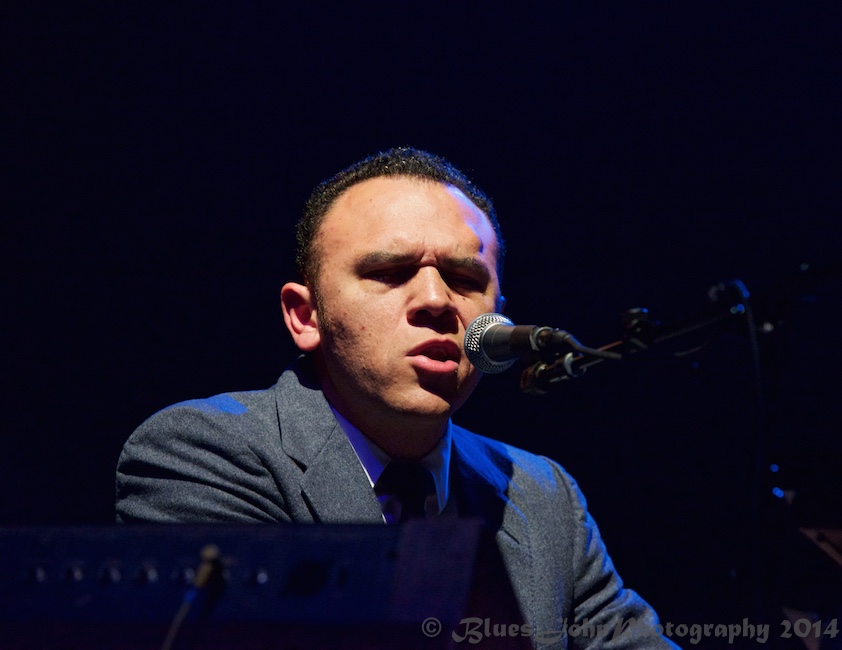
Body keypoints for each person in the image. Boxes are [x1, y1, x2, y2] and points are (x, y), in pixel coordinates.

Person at [116, 147, 678, 648]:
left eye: (465, 277)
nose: (436, 300)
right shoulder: (204, 454)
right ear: (305, 316)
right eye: (390, 271)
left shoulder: (543, 495)